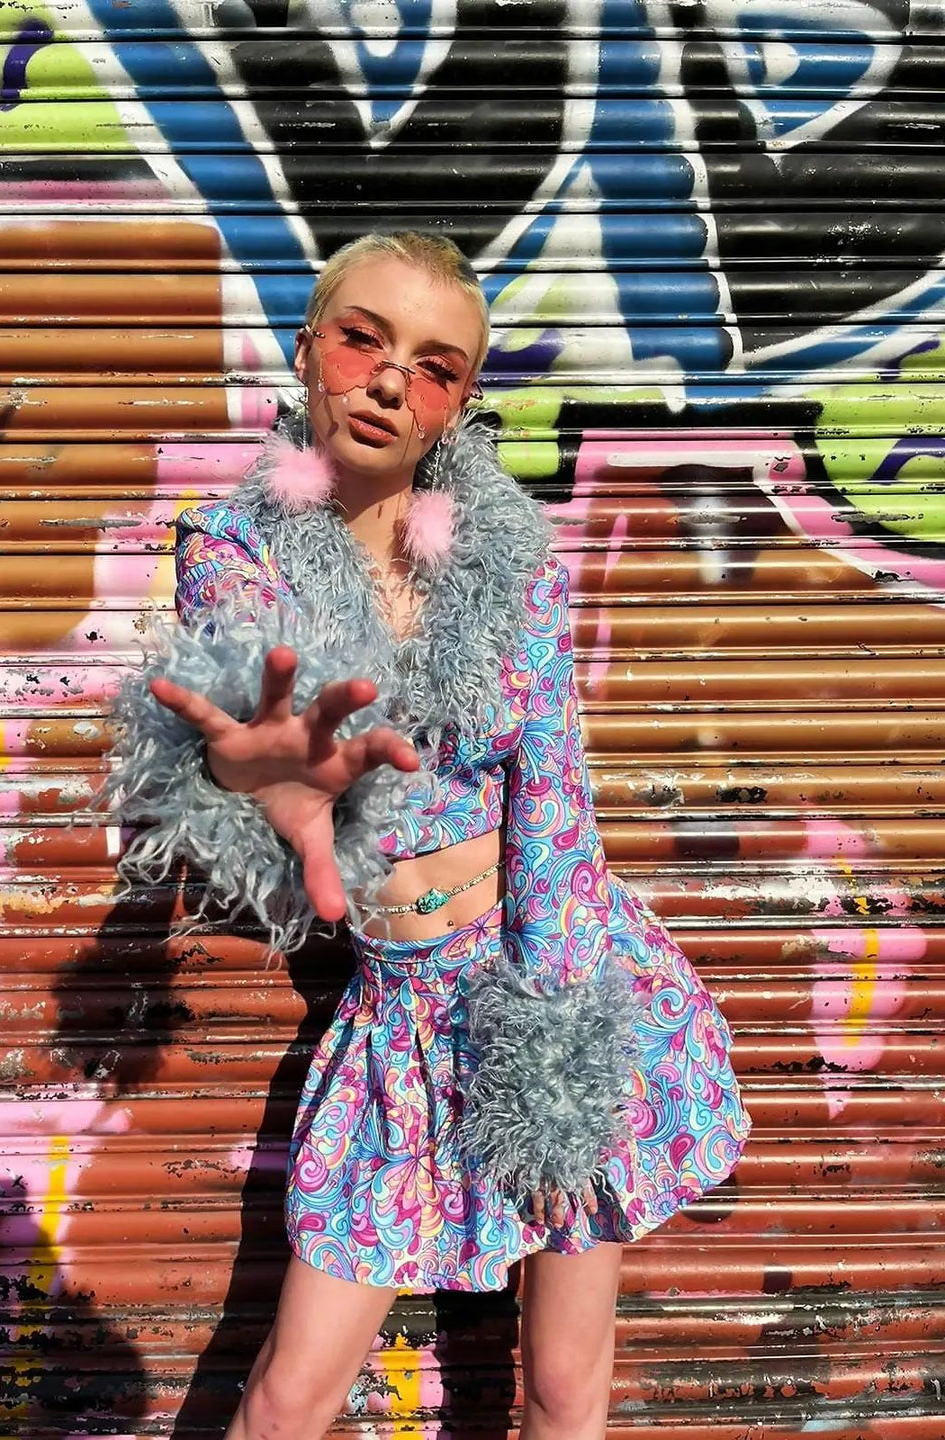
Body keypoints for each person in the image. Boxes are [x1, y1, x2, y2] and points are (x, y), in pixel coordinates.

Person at [103, 230, 752, 1440]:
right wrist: (251, 781)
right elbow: (246, 696)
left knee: (564, 1386)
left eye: (438, 364)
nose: (394, 380)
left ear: (459, 401)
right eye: (364, 339)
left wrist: (554, 1049)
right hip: (401, 1022)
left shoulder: (516, 570)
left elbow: (555, 807)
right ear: (306, 350)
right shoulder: (233, 552)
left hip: (561, 989)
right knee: (292, 1393)